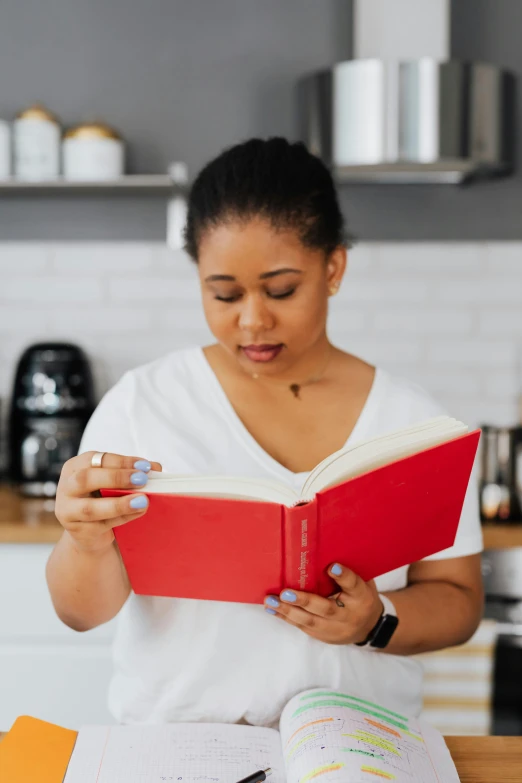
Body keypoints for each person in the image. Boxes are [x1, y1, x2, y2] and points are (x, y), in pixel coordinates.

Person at [46, 137, 483, 728]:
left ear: (333, 268)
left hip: (355, 749)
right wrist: (84, 541)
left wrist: (375, 621)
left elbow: (458, 601)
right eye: (223, 293)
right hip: (181, 749)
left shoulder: (414, 421)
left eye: (281, 290)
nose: (252, 320)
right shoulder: (145, 405)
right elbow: (81, 614)